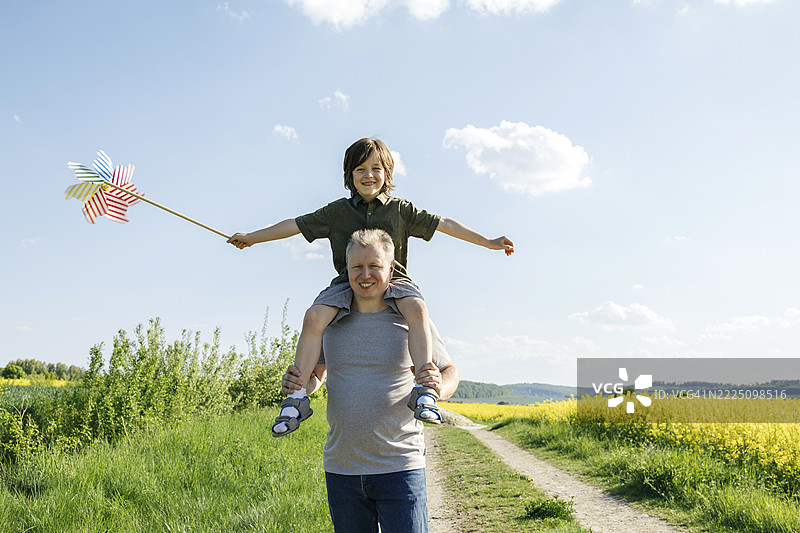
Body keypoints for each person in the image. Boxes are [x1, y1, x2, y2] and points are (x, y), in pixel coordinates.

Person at [228, 138, 511, 436]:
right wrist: (252, 237)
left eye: (376, 168)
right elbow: (294, 225)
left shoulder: (401, 210)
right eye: (360, 169)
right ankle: (296, 398)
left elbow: (446, 224)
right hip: (346, 284)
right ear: (349, 176)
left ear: (387, 173)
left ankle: (425, 388)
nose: (368, 175)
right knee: (313, 316)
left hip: (394, 281)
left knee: (417, 307)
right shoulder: (336, 212)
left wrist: (488, 242)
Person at [281, 228, 460, 533]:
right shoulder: (331, 318)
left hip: (400, 466)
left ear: (391, 269)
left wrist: (439, 388)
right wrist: (301, 387)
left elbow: (449, 370)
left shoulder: (411, 317)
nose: (365, 275)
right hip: (342, 468)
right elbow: (319, 375)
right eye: (357, 267)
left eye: (374, 266)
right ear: (346, 270)